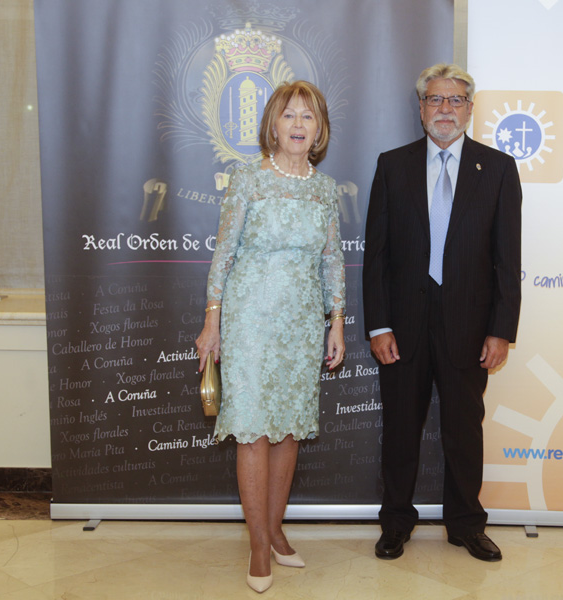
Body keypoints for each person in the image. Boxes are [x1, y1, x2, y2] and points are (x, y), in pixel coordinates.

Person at [363, 64, 522, 562]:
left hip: (469, 328)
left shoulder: (498, 169)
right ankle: (395, 523)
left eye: (455, 100)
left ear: (470, 109)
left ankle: (466, 524)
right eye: (435, 99)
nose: (445, 109)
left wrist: (501, 330)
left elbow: (507, 259)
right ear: (421, 108)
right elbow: (377, 256)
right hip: (402, 328)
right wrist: (379, 325)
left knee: (463, 432)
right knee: (400, 431)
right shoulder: (392, 165)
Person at [196, 80, 346, 593]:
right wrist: (212, 321)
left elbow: (332, 259)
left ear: (319, 129)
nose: (298, 124)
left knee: (289, 430)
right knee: (254, 429)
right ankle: (258, 543)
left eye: (308, 116)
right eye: (289, 115)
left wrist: (337, 320)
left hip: (302, 322)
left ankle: (276, 529)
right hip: (251, 321)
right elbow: (223, 253)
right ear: (273, 126)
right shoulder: (248, 180)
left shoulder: (325, 189)